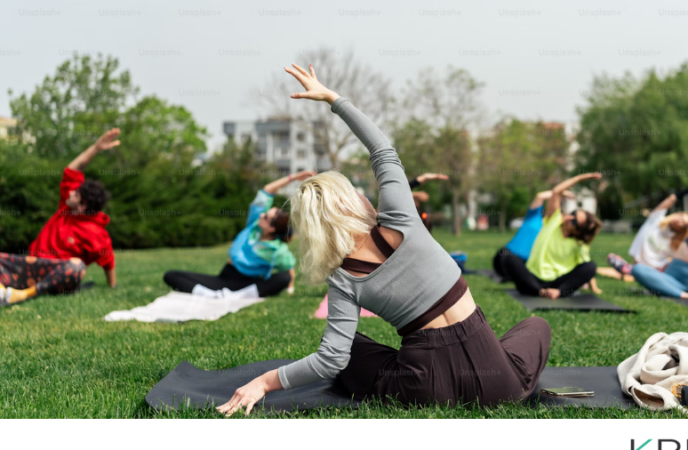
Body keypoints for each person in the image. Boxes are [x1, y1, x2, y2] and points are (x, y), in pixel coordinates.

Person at [216, 64, 551, 416]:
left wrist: (265, 381)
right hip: (499, 385)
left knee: (351, 350)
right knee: (536, 326)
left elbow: (330, 361)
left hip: (425, 389)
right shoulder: (402, 217)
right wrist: (332, 98)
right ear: (348, 204)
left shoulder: (342, 278)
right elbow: (382, 150)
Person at [1, 130, 119, 306]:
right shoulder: (67, 208)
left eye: (76, 194)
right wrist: (96, 148)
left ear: (82, 206)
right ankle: (4, 291)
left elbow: (108, 261)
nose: (70, 192)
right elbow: (72, 170)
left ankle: (23, 295)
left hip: (58, 275)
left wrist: (113, 286)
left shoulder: (96, 233)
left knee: (77, 266)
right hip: (30, 266)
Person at [163, 171, 315, 298]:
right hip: (225, 277)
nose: (261, 216)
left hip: (247, 284)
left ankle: (237, 296)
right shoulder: (254, 225)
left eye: (266, 217)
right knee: (171, 275)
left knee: (283, 278)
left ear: (271, 229)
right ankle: (211, 295)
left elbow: (289, 269)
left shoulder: (276, 250)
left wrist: (290, 287)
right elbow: (267, 191)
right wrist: (293, 178)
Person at [504, 173, 604, 299]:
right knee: (510, 258)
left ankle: (558, 292)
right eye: (573, 213)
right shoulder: (554, 220)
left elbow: (586, 267)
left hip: (557, 282)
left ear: (578, 231)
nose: (569, 218)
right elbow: (556, 191)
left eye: (574, 221)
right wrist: (579, 178)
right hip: (533, 277)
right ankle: (539, 291)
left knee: (591, 266)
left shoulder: (578, 244)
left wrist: (593, 286)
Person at [605, 185, 688, 278]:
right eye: (680, 216)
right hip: (637, 266)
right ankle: (633, 274)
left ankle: (634, 275)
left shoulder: (676, 243)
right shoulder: (656, 220)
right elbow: (671, 198)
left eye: (683, 222)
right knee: (612, 257)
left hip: (656, 271)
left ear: (683, 229)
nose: (678, 220)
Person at [492, 190, 574, 282]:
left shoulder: (555, 233)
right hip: (506, 256)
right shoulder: (534, 217)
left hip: (526, 264)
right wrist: (560, 193)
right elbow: (540, 196)